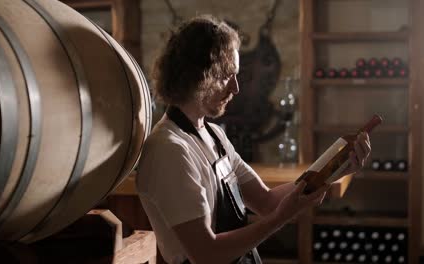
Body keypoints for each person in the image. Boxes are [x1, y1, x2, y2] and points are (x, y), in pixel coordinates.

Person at [136, 15, 371, 264]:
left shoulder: (214, 135)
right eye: (227, 75)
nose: (236, 88)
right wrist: (280, 219)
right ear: (199, 75)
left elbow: (266, 201)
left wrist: (335, 167)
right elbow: (206, 254)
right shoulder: (169, 150)